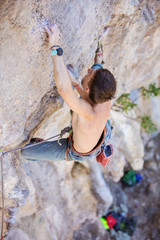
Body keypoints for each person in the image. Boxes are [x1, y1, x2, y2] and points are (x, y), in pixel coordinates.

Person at [21, 24, 117, 165]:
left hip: (79, 150)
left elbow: (64, 90)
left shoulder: (87, 111)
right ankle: (99, 140)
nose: (90, 70)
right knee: (82, 88)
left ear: (87, 90)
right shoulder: (105, 92)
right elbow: (98, 63)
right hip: (102, 130)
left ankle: (40, 145)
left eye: (90, 74)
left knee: (27, 152)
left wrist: (54, 46)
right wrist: (99, 41)